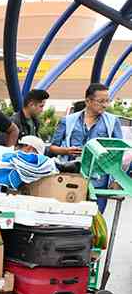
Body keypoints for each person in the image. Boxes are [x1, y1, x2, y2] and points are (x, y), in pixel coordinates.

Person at [50, 84, 123, 212]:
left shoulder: (113, 121)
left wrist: (117, 179)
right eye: (101, 101)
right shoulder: (67, 121)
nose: (105, 105)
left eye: (107, 101)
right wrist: (66, 151)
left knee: (95, 217)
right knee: (69, 215)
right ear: (88, 101)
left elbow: (119, 152)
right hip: (71, 177)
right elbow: (52, 148)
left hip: (99, 179)